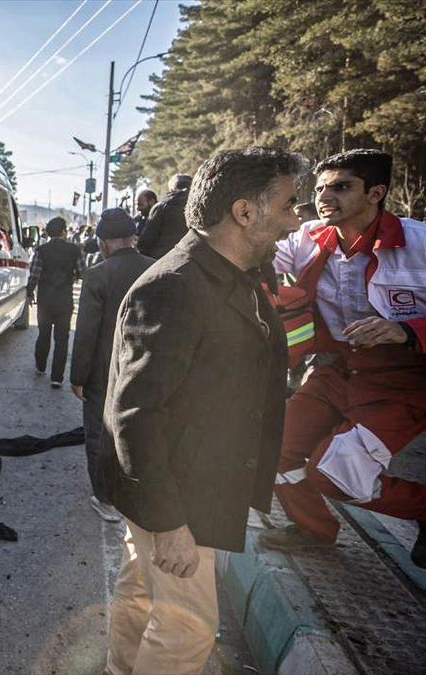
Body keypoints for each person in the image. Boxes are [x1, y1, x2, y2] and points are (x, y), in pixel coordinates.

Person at [103, 147, 305, 675]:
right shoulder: (177, 286)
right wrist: (170, 523)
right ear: (244, 212)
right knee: (186, 629)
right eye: (288, 205)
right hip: (178, 496)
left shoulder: (233, 274)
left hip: (183, 485)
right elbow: (137, 414)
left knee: (141, 592)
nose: (295, 219)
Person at [260, 149, 426, 569]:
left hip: (408, 384)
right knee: (273, 447)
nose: (326, 196)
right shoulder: (308, 237)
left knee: (335, 473)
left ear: (376, 193)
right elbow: (255, 256)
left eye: (342, 186)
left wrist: (408, 331)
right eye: (321, 187)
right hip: (337, 370)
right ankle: (313, 531)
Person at [69, 209, 154, 523]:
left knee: (99, 434)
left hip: (104, 372)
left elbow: (87, 332)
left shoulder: (97, 275)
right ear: (133, 238)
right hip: (148, 367)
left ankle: (105, 498)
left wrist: (77, 376)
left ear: (102, 242)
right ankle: (137, 493)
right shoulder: (157, 269)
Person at [27, 217, 82, 388]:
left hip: (45, 301)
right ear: (64, 231)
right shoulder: (74, 250)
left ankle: (41, 367)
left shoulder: (41, 250)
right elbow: (82, 272)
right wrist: (71, 277)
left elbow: (35, 273)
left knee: (43, 334)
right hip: (64, 301)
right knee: (62, 338)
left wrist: (29, 293)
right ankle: (57, 377)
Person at [137, 173, 192, 259]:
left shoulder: (160, 207)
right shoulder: (202, 205)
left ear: (171, 189)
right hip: (193, 260)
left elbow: (146, 241)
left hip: (163, 260)